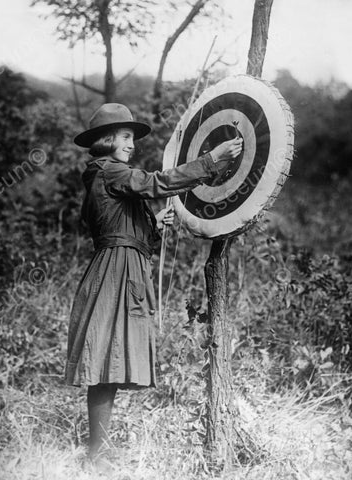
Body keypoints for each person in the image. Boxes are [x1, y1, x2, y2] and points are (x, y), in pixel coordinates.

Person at [65, 103, 243, 462]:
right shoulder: (109, 171)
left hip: (122, 267)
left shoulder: (107, 177)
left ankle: (97, 452)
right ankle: (95, 455)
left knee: (108, 363)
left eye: (131, 138)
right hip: (115, 271)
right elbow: (157, 183)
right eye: (126, 136)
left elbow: (126, 232)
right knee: (104, 362)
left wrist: (152, 228)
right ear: (107, 139)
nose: (131, 144)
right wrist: (210, 161)